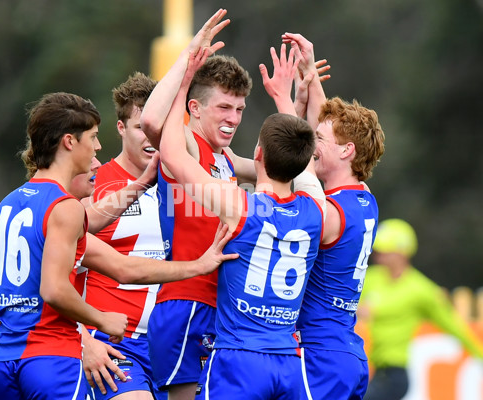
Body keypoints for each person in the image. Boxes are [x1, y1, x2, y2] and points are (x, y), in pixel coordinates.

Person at [0, 92, 238, 400]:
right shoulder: (65, 207)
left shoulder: (8, 204)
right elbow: (55, 289)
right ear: (69, 141)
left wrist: (22, 322)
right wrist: (100, 319)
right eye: (92, 137)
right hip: (52, 361)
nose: (97, 147)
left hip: (4, 362)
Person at [159, 43, 325, 399]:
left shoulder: (236, 192)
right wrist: (290, 101)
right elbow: (301, 160)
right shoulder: (315, 210)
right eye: (224, 107)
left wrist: (185, 76)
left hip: (231, 335)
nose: (234, 118)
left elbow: (288, 158)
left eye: (239, 109)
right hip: (211, 314)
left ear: (259, 154)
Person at [279, 33, 387, 400]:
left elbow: (300, 155)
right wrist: (310, 70)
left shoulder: (327, 212)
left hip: (319, 353)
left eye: (319, 143)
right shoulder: (364, 198)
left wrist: (285, 102)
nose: (313, 147)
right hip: (347, 352)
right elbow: (326, 130)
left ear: (347, 151)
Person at [82, 72, 168, 400]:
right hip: (115, 345)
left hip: (172, 344)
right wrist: (85, 342)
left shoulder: (184, 183)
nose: (150, 137)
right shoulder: (93, 184)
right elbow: (54, 276)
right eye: (139, 127)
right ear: (120, 128)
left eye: (156, 128)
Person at [360, 218, 483, 400]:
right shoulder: (371, 278)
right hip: (375, 371)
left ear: (402, 253)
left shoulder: (422, 290)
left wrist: (480, 353)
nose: (379, 256)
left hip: (395, 376)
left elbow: (455, 326)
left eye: (386, 251)